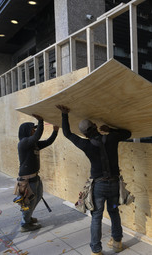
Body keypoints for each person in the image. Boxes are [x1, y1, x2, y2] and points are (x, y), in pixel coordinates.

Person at [56, 105, 131, 255]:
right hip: (115, 185)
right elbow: (127, 133)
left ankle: (96, 251)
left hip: (99, 187)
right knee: (114, 211)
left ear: (84, 133)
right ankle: (117, 243)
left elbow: (67, 133)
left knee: (96, 217)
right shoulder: (111, 138)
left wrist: (64, 114)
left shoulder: (85, 144)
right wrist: (110, 129)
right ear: (96, 126)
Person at [17, 114, 59, 232]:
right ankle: (25, 224)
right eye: (33, 129)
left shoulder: (33, 144)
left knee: (38, 196)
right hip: (27, 180)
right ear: (26, 131)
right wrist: (40, 121)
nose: (34, 130)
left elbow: (48, 142)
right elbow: (37, 136)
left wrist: (55, 131)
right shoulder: (24, 143)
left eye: (35, 128)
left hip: (35, 177)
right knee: (28, 201)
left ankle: (28, 217)